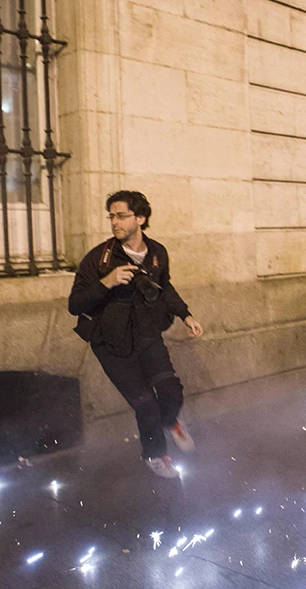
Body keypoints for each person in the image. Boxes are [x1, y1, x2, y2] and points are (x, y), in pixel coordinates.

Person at [68, 191, 204, 479]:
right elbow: (75, 304)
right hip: (110, 342)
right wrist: (106, 282)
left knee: (171, 392)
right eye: (111, 217)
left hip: (146, 333)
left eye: (120, 215)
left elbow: (165, 287)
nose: (114, 222)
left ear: (140, 218)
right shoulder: (99, 258)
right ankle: (155, 455)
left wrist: (186, 315)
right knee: (145, 404)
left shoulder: (157, 252)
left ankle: (171, 422)